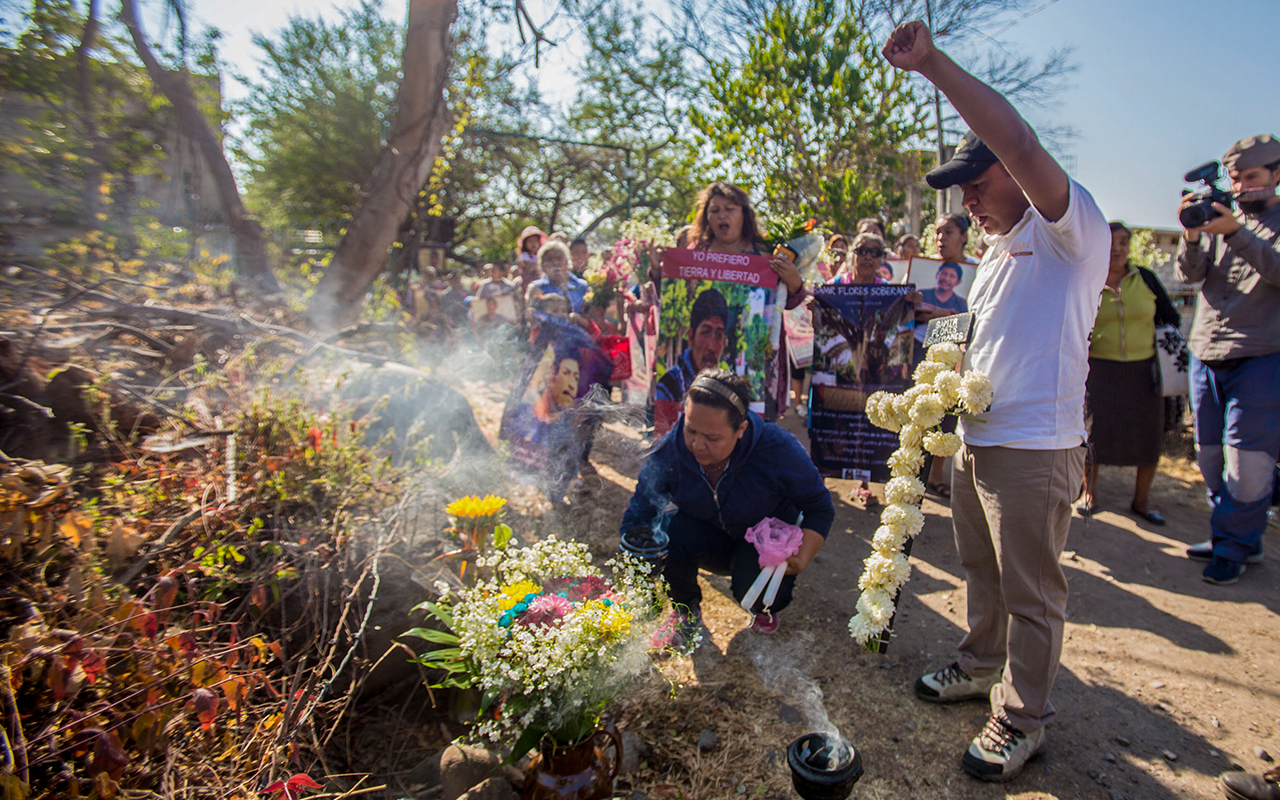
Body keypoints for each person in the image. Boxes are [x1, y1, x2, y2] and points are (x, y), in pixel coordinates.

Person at [883, 21, 1109, 781]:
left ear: (1016, 175)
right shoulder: (991, 253)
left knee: (1032, 592)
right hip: (976, 437)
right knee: (980, 566)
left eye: (977, 184)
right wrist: (923, 362)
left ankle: (1022, 718)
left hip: (1037, 448)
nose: (968, 201)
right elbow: (969, 330)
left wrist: (933, 66)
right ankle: (980, 663)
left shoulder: (1070, 232)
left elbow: (1012, 135)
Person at [620, 369, 834, 646]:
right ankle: (686, 612)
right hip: (709, 537)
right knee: (669, 529)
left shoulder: (777, 449)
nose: (697, 444)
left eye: (712, 437)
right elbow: (641, 512)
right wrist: (635, 569)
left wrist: (803, 557)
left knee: (756, 596)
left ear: (741, 429)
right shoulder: (670, 451)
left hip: (763, 545)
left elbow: (820, 508)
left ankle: (764, 609)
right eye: (691, 429)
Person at [1174, 133, 1280, 585]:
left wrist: (1235, 235)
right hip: (1207, 352)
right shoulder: (1223, 217)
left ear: (1277, 175)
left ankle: (1234, 546)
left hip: (1260, 356)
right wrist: (1194, 235)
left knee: (1249, 462)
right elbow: (1190, 275)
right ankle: (1238, 536)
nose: (1239, 187)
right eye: (1234, 178)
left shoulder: (1248, 225)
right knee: (1211, 456)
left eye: (1251, 177)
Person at [1078, 222, 1181, 523]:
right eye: (1111, 241)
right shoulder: (1088, 280)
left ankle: (1141, 501)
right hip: (1100, 370)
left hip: (1143, 370)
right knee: (1096, 433)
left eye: (1124, 242)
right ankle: (1089, 493)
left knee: (1148, 436)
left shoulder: (1145, 278)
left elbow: (1170, 316)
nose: (1118, 248)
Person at [655, 289, 731, 402]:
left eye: (718, 335)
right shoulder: (669, 389)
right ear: (691, 337)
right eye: (705, 333)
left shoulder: (726, 390)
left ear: (724, 342)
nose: (712, 347)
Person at [526, 240, 590, 314]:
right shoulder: (537, 288)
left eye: (559, 259)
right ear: (542, 265)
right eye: (550, 259)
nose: (555, 263)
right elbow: (530, 318)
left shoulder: (582, 286)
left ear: (567, 262)